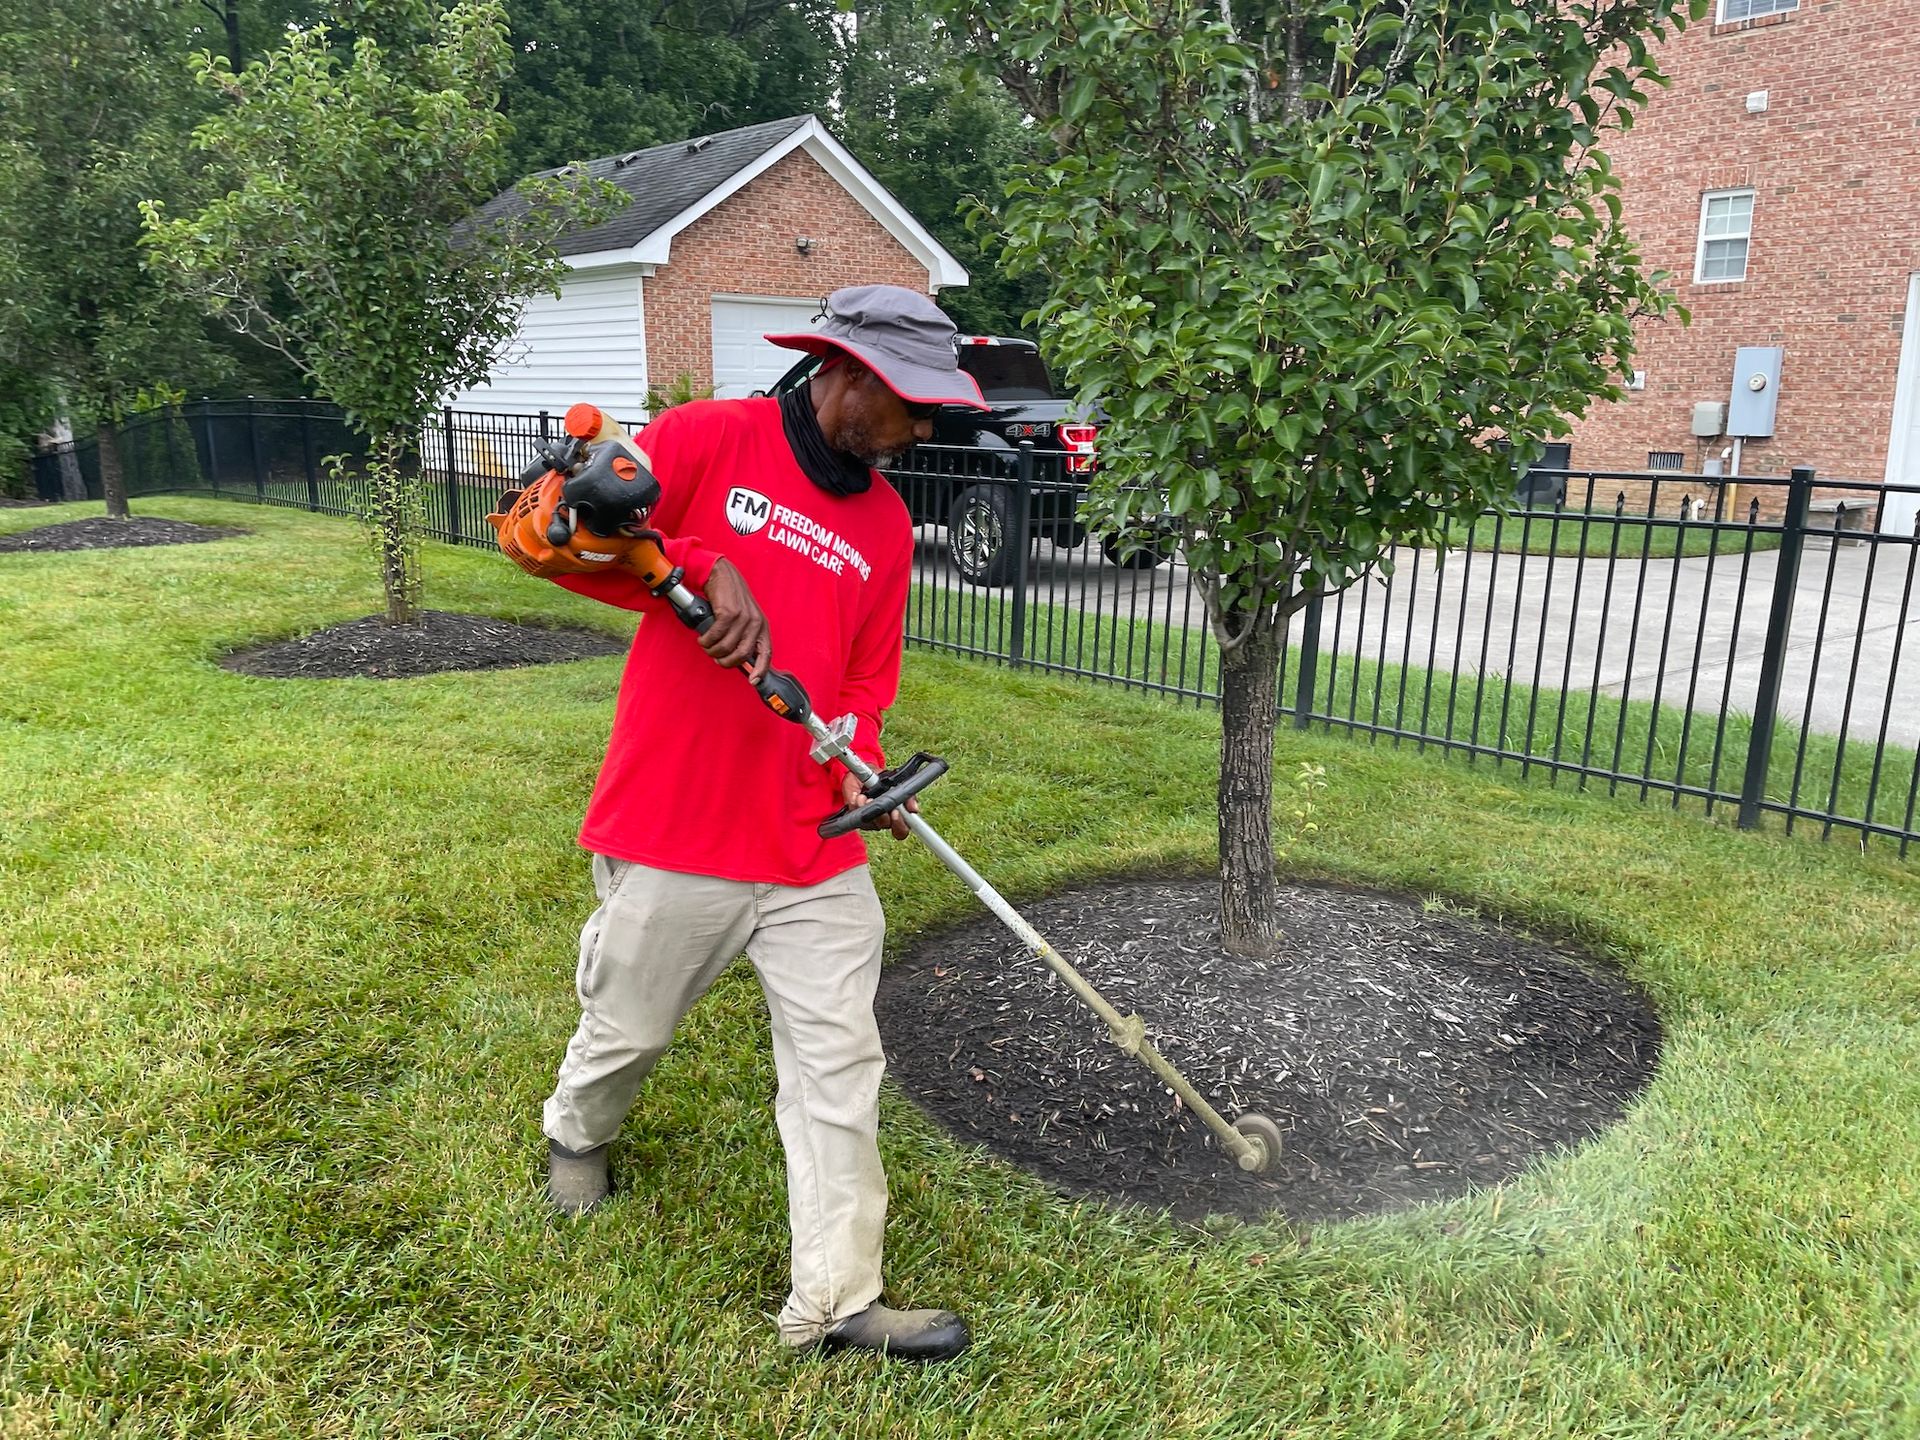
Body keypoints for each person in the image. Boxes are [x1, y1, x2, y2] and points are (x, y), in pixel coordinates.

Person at [535, 285, 987, 1363]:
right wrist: (694, 563)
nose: (923, 432)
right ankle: (575, 1134)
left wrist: (859, 767)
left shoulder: (884, 522)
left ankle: (837, 1303)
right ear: (848, 375)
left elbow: (866, 680)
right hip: (675, 825)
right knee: (629, 1029)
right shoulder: (709, 438)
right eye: (913, 407)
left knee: (839, 1062)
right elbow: (554, 531)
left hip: (807, 845)